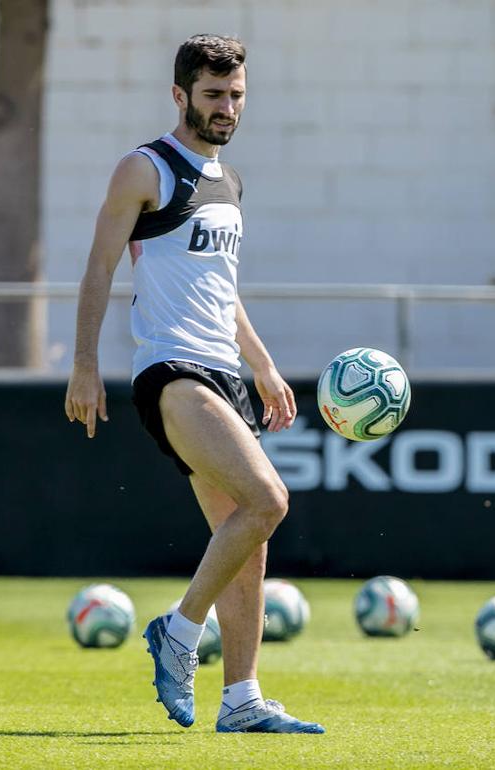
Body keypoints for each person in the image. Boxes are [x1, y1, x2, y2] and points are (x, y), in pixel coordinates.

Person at [63, 34, 323, 735]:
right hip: (172, 370)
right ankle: (179, 633)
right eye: (213, 95)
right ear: (180, 95)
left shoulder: (230, 182)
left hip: (225, 370)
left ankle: (241, 699)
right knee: (269, 499)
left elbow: (221, 288)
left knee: (246, 536)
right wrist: (84, 361)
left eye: (236, 94)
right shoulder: (144, 168)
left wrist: (262, 364)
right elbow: (99, 266)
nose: (227, 107)